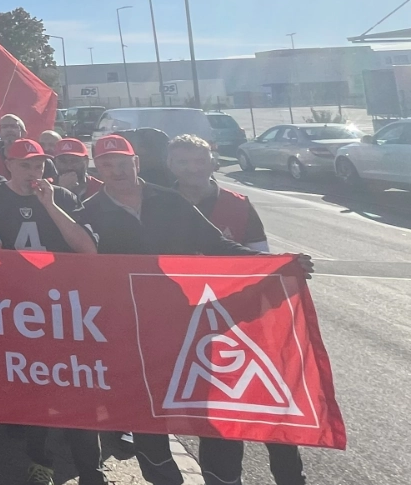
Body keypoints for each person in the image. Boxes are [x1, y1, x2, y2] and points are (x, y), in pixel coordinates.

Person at [82, 135, 310, 485]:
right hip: (132, 332)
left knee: (211, 409)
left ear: (136, 163)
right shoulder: (88, 212)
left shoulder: (169, 201)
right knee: (147, 414)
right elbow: (76, 270)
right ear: (98, 169)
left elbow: (217, 245)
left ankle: (222, 480)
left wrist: (275, 264)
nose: (117, 171)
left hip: (189, 324)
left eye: (123, 163)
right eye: (107, 165)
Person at [166, 135, 305, 485]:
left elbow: (263, 261)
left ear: (213, 162)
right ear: (170, 166)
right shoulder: (159, 205)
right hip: (189, 325)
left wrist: (287, 266)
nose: (192, 168)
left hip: (244, 322)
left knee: (271, 407)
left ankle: (290, 478)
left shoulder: (238, 205)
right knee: (215, 412)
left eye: (199, 160)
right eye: (182, 162)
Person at [0, 139, 102, 485]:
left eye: (39, 165)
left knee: (75, 386)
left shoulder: (62, 197)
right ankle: (39, 459)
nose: (33, 172)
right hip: (15, 309)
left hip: (61, 307)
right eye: (25, 165)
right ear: (8, 165)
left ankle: (90, 469)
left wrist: (49, 204)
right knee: (32, 387)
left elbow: (88, 249)